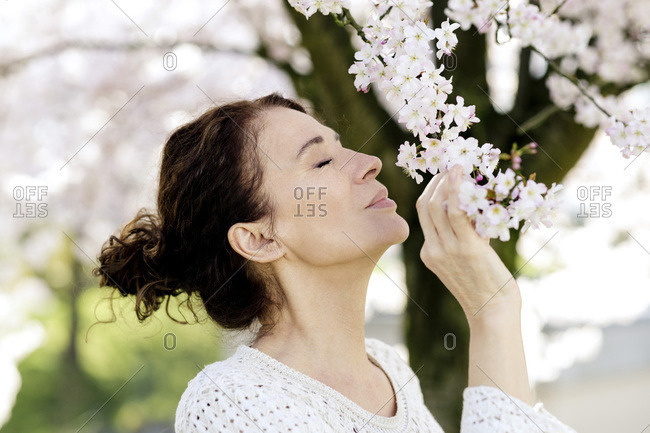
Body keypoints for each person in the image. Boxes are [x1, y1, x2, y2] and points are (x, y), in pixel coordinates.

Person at [93, 93, 577, 432]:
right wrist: (489, 314)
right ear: (259, 239)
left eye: (342, 146)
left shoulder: (391, 373)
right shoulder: (230, 404)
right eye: (321, 163)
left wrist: (494, 306)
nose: (368, 161)